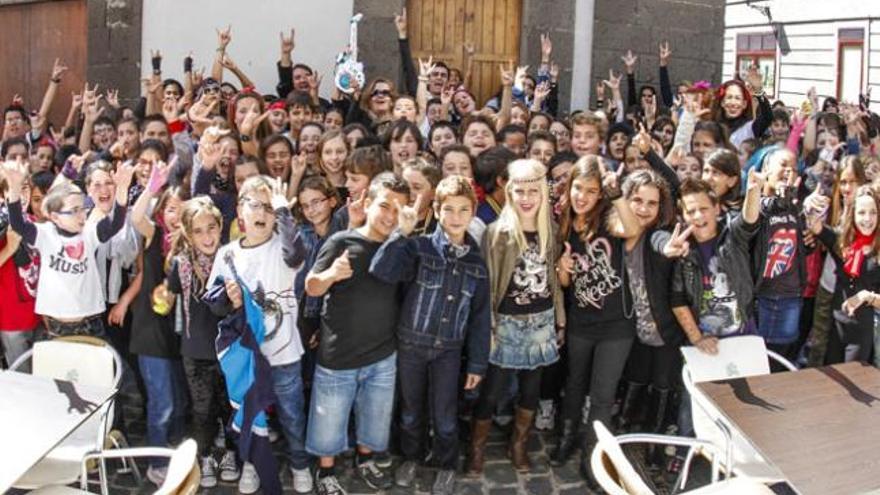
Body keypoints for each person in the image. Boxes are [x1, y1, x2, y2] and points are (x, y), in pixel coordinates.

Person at [369, 175, 490, 495]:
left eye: (463, 210)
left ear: (473, 212)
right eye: (448, 209)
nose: (455, 217)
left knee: (445, 416)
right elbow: (382, 271)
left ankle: (446, 464)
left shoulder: (477, 264)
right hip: (411, 345)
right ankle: (412, 457)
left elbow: (480, 317)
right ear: (436, 210)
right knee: (410, 412)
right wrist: (401, 233)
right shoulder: (418, 247)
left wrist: (478, 363)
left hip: (448, 351)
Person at [305, 173, 411, 495]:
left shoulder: (400, 248)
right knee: (329, 419)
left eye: (399, 210)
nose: (390, 216)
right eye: (384, 206)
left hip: (382, 353)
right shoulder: (342, 242)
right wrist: (331, 274)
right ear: (366, 204)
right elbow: (311, 286)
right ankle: (326, 471)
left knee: (375, 417)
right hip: (340, 354)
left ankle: (365, 460)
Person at [208, 175, 312, 494]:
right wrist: (228, 299)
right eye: (256, 205)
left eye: (270, 207)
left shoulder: (282, 247)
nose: (263, 213)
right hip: (247, 359)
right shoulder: (227, 253)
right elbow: (214, 302)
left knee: (292, 416)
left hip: (283, 354)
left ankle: (299, 464)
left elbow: (297, 255)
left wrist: (284, 212)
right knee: (251, 416)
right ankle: (251, 464)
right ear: (241, 211)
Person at [467, 159, 564, 475]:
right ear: (509, 192)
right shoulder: (497, 233)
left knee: (531, 389)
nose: (526, 198)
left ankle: (519, 443)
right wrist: (488, 326)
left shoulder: (550, 231)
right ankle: (477, 446)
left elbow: (553, 279)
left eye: (533, 191)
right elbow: (486, 284)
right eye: (519, 191)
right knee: (492, 390)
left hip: (540, 321)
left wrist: (559, 318)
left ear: (542, 194)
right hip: (505, 323)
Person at [549, 155, 640, 482]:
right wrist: (562, 270)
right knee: (573, 385)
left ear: (600, 194)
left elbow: (632, 229)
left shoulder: (609, 219)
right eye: (578, 188)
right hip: (581, 322)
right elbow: (564, 283)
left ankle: (594, 457)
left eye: (591, 190)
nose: (582, 196)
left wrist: (617, 195)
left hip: (616, 326)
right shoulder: (565, 224)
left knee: (602, 394)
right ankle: (566, 438)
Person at [3, 157, 134, 338]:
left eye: (82, 208)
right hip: (57, 325)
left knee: (107, 365)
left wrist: (121, 191)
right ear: (55, 216)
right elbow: (18, 223)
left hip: (90, 321)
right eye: (73, 211)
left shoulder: (89, 233)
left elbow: (116, 223)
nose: (81, 215)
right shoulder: (45, 234)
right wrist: (15, 189)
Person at [165, 196, 240, 487]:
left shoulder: (231, 260)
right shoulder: (181, 265)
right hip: (195, 350)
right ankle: (205, 455)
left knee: (229, 406)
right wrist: (160, 299)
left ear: (220, 227)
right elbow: (169, 297)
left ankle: (231, 453)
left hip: (229, 349)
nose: (207, 236)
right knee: (202, 409)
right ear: (188, 233)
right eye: (198, 231)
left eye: (211, 228)